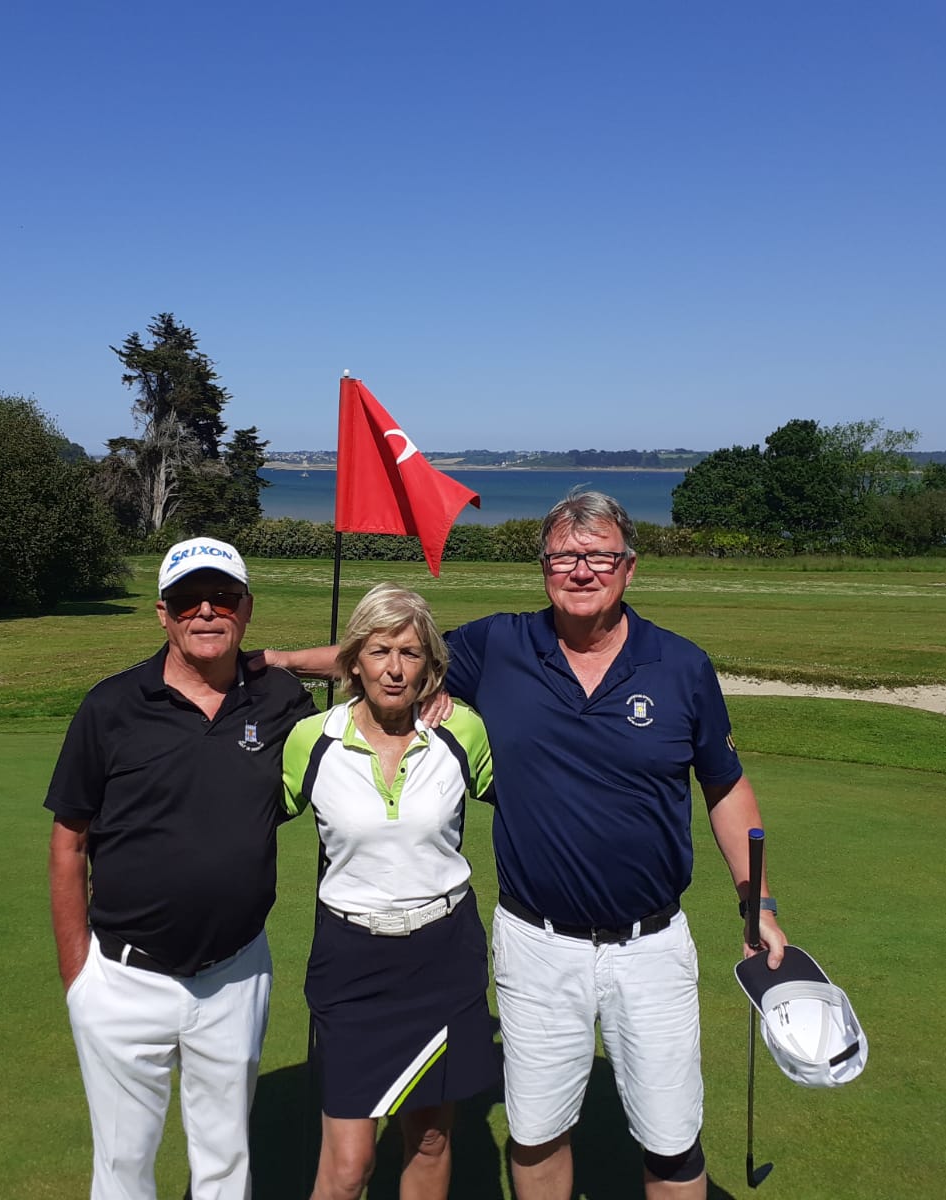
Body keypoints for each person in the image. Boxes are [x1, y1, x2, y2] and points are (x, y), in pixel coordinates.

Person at [269, 491, 788, 1200]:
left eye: (599, 555)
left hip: (652, 947)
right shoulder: (499, 646)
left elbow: (725, 786)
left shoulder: (680, 665)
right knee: (537, 1134)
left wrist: (759, 903)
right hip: (536, 945)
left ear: (629, 567)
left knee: (672, 1145)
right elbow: (390, 653)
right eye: (564, 556)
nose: (582, 570)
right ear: (543, 567)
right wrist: (270, 659)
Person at [45, 536, 316, 1200]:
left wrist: (283, 658)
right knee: (123, 1167)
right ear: (163, 613)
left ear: (246, 608)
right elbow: (69, 842)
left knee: (225, 1163)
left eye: (222, 597)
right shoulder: (111, 706)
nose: (206, 612)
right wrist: (79, 976)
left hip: (235, 973)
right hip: (122, 979)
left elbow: (378, 659)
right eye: (188, 600)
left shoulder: (279, 699)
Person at [281, 584, 500, 1200]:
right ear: (354, 661)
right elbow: (249, 821)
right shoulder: (312, 739)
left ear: (431, 665)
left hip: (443, 956)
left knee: (429, 1139)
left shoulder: (461, 732)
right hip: (351, 961)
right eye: (379, 652)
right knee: (349, 1164)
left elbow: (524, 806)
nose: (395, 669)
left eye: (411, 653)